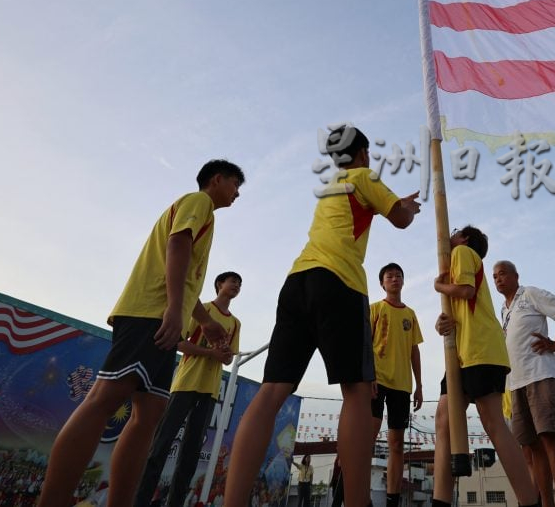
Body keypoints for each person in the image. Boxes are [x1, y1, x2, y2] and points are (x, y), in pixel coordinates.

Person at [223, 125, 421, 507]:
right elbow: (399, 217)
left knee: (271, 393)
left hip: (297, 280)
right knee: (358, 393)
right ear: (363, 152)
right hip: (340, 283)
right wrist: (407, 207)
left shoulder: (332, 186)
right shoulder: (363, 175)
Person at [38, 160, 244, 507]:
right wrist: (173, 309)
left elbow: (187, 272)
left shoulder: (204, 214)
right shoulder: (199, 202)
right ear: (217, 179)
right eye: (235, 184)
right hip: (149, 313)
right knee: (104, 400)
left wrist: (203, 320)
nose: (238, 193)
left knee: (147, 417)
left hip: (161, 315)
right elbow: (176, 246)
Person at [433, 227, 539, 507]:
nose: (450, 234)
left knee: (493, 423)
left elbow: (465, 291)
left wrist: (439, 286)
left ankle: (530, 501)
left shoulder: (462, 252)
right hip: (462, 353)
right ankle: (440, 500)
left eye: (455, 232)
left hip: (481, 349)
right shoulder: (459, 259)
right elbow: (459, 309)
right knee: (443, 418)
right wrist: (442, 323)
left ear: (465, 239)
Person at [134, 271, 243, 507]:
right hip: (185, 383)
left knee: (191, 454)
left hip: (210, 390)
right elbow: (180, 342)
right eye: (232, 281)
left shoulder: (235, 324)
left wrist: (222, 354)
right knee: (162, 444)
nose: (236, 285)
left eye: (239, 283)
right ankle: (140, 500)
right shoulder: (201, 310)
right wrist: (209, 352)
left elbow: (228, 359)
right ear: (219, 284)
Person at [491, 260, 555, 507]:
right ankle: (546, 502)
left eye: (503, 274)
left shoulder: (529, 294)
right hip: (515, 382)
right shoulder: (504, 310)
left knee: (549, 438)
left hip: (540, 375)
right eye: (495, 276)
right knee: (531, 445)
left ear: (516, 276)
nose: (498, 279)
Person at [369, 262, 424, 507]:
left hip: (402, 385)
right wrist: (367, 376)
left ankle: (392, 499)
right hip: (376, 381)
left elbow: (414, 351)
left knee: (397, 444)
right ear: (382, 283)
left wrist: (419, 385)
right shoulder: (374, 309)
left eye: (399, 275)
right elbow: (363, 346)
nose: (395, 279)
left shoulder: (410, 314)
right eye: (390, 276)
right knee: (366, 439)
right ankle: (355, 495)